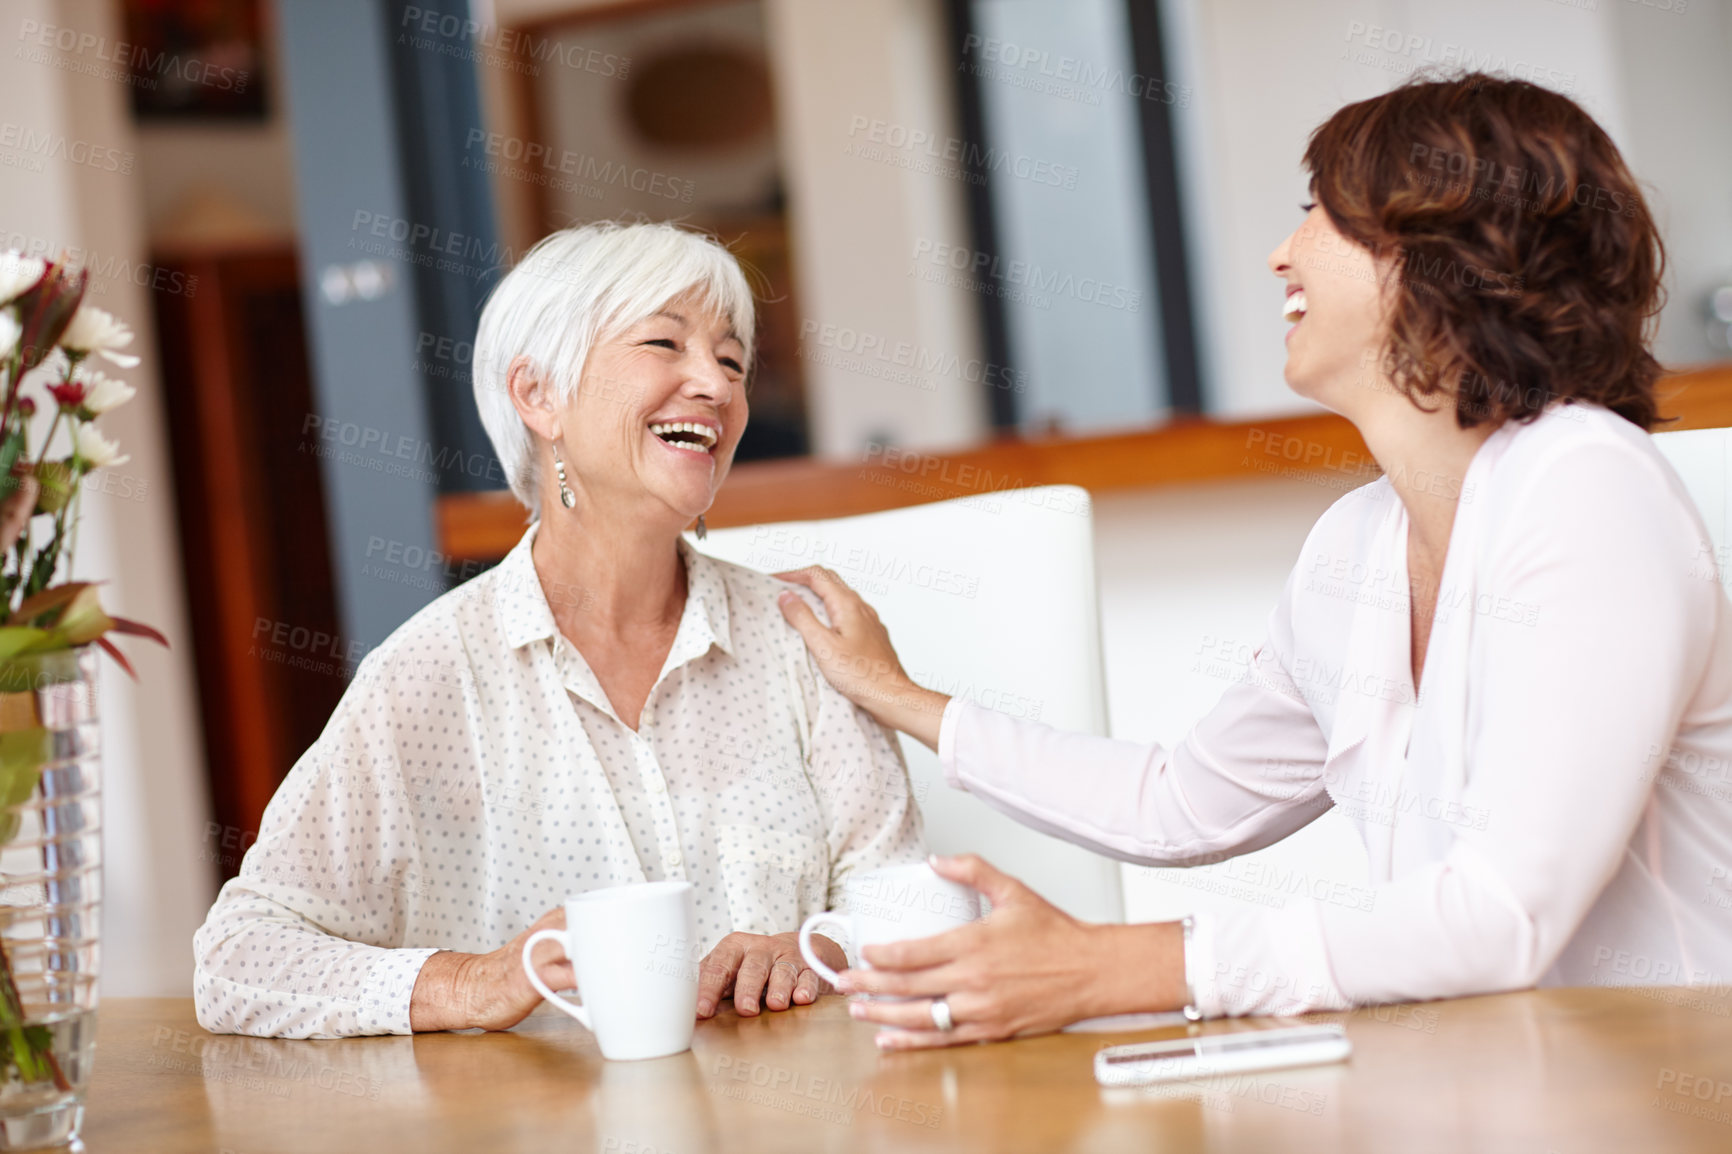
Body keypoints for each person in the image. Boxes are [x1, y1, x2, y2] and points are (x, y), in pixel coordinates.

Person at [775, 73, 1732, 1049]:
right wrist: (898, 694)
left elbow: (1503, 915)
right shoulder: (1355, 545)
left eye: (1317, 213)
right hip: (1484, 1083)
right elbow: (1178, 801)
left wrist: (1109, 967)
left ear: (1441, 248)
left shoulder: (1585, 485)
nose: (1282, 252)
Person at [193, 222, 925, 1038]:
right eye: (664, 343)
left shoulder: (803, 642)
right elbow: (238, 959)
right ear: (539, 395)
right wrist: (476, 982)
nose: (714, 386)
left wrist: (812, 947)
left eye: (731, 360)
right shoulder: (433, 674)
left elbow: (909, 907)